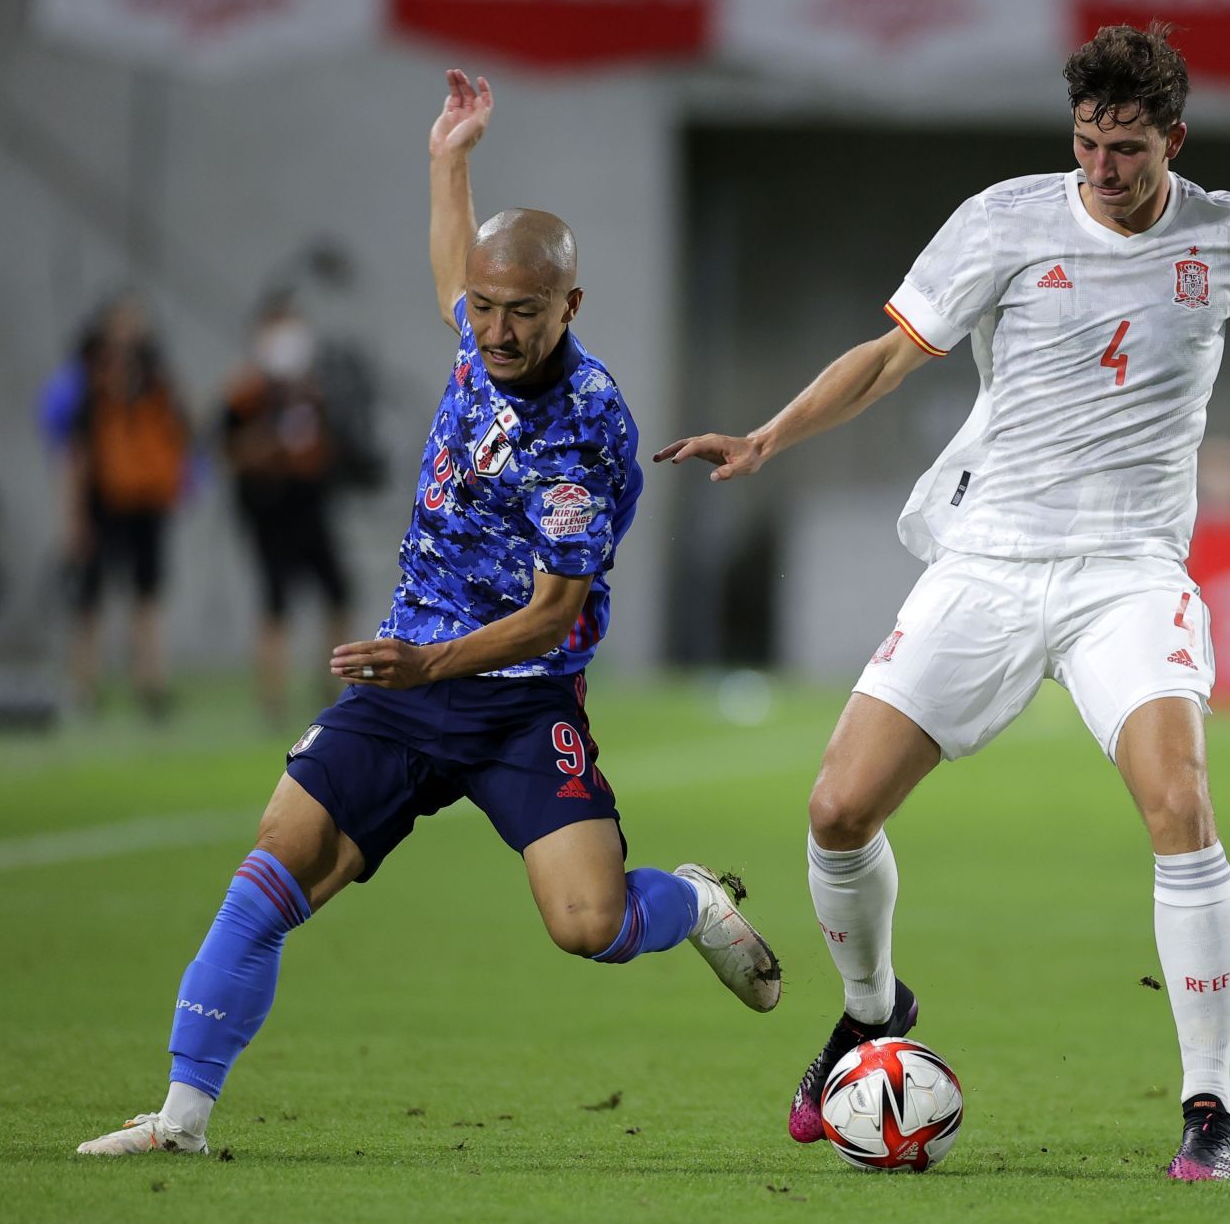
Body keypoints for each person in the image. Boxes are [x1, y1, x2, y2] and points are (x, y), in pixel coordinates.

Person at [657, 24, 1230, 1180]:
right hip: (992, 561)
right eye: (1088, 144)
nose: (1104, 170)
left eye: (1127, 148)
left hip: (1129, 571)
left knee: (1181, 805)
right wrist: (769, 435)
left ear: (1175, 138)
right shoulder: (1003, 221)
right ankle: (871, 1007)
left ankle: (1209, 1099)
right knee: (837, 808)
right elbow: (887, 355)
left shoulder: (1228, 235)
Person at [78, 70, 781, 1158]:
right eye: (487, 310)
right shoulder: (482, 324)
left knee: (588, 925)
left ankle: (687, 902)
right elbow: (456, 266)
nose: (494, 330)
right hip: (407, 684)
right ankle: (182, 1115)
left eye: (521, 312)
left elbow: (553, 615)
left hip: (510, 696)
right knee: (272, 866)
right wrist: (450, 157)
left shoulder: (582, 436)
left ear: (570, 308)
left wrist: (432, 662)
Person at [221, 293, 354, 721]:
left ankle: (333, 685)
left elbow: (334, 448)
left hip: (311, 504)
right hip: (268, 506)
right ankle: (273, 695)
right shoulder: (246, 396)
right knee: (275, 599)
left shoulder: (312, 393)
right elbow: (228, 449)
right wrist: (272, 440)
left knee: (337, 591)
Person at [63, 301, 189, 716]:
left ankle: (150, 684)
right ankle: (85, 687)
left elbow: (181, 437)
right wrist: (74, 516)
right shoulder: (92, 392)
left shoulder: (157, 386)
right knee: (90, 600)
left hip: (147, 504)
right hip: (103, 505)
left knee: (147, 596)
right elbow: (76, 457)